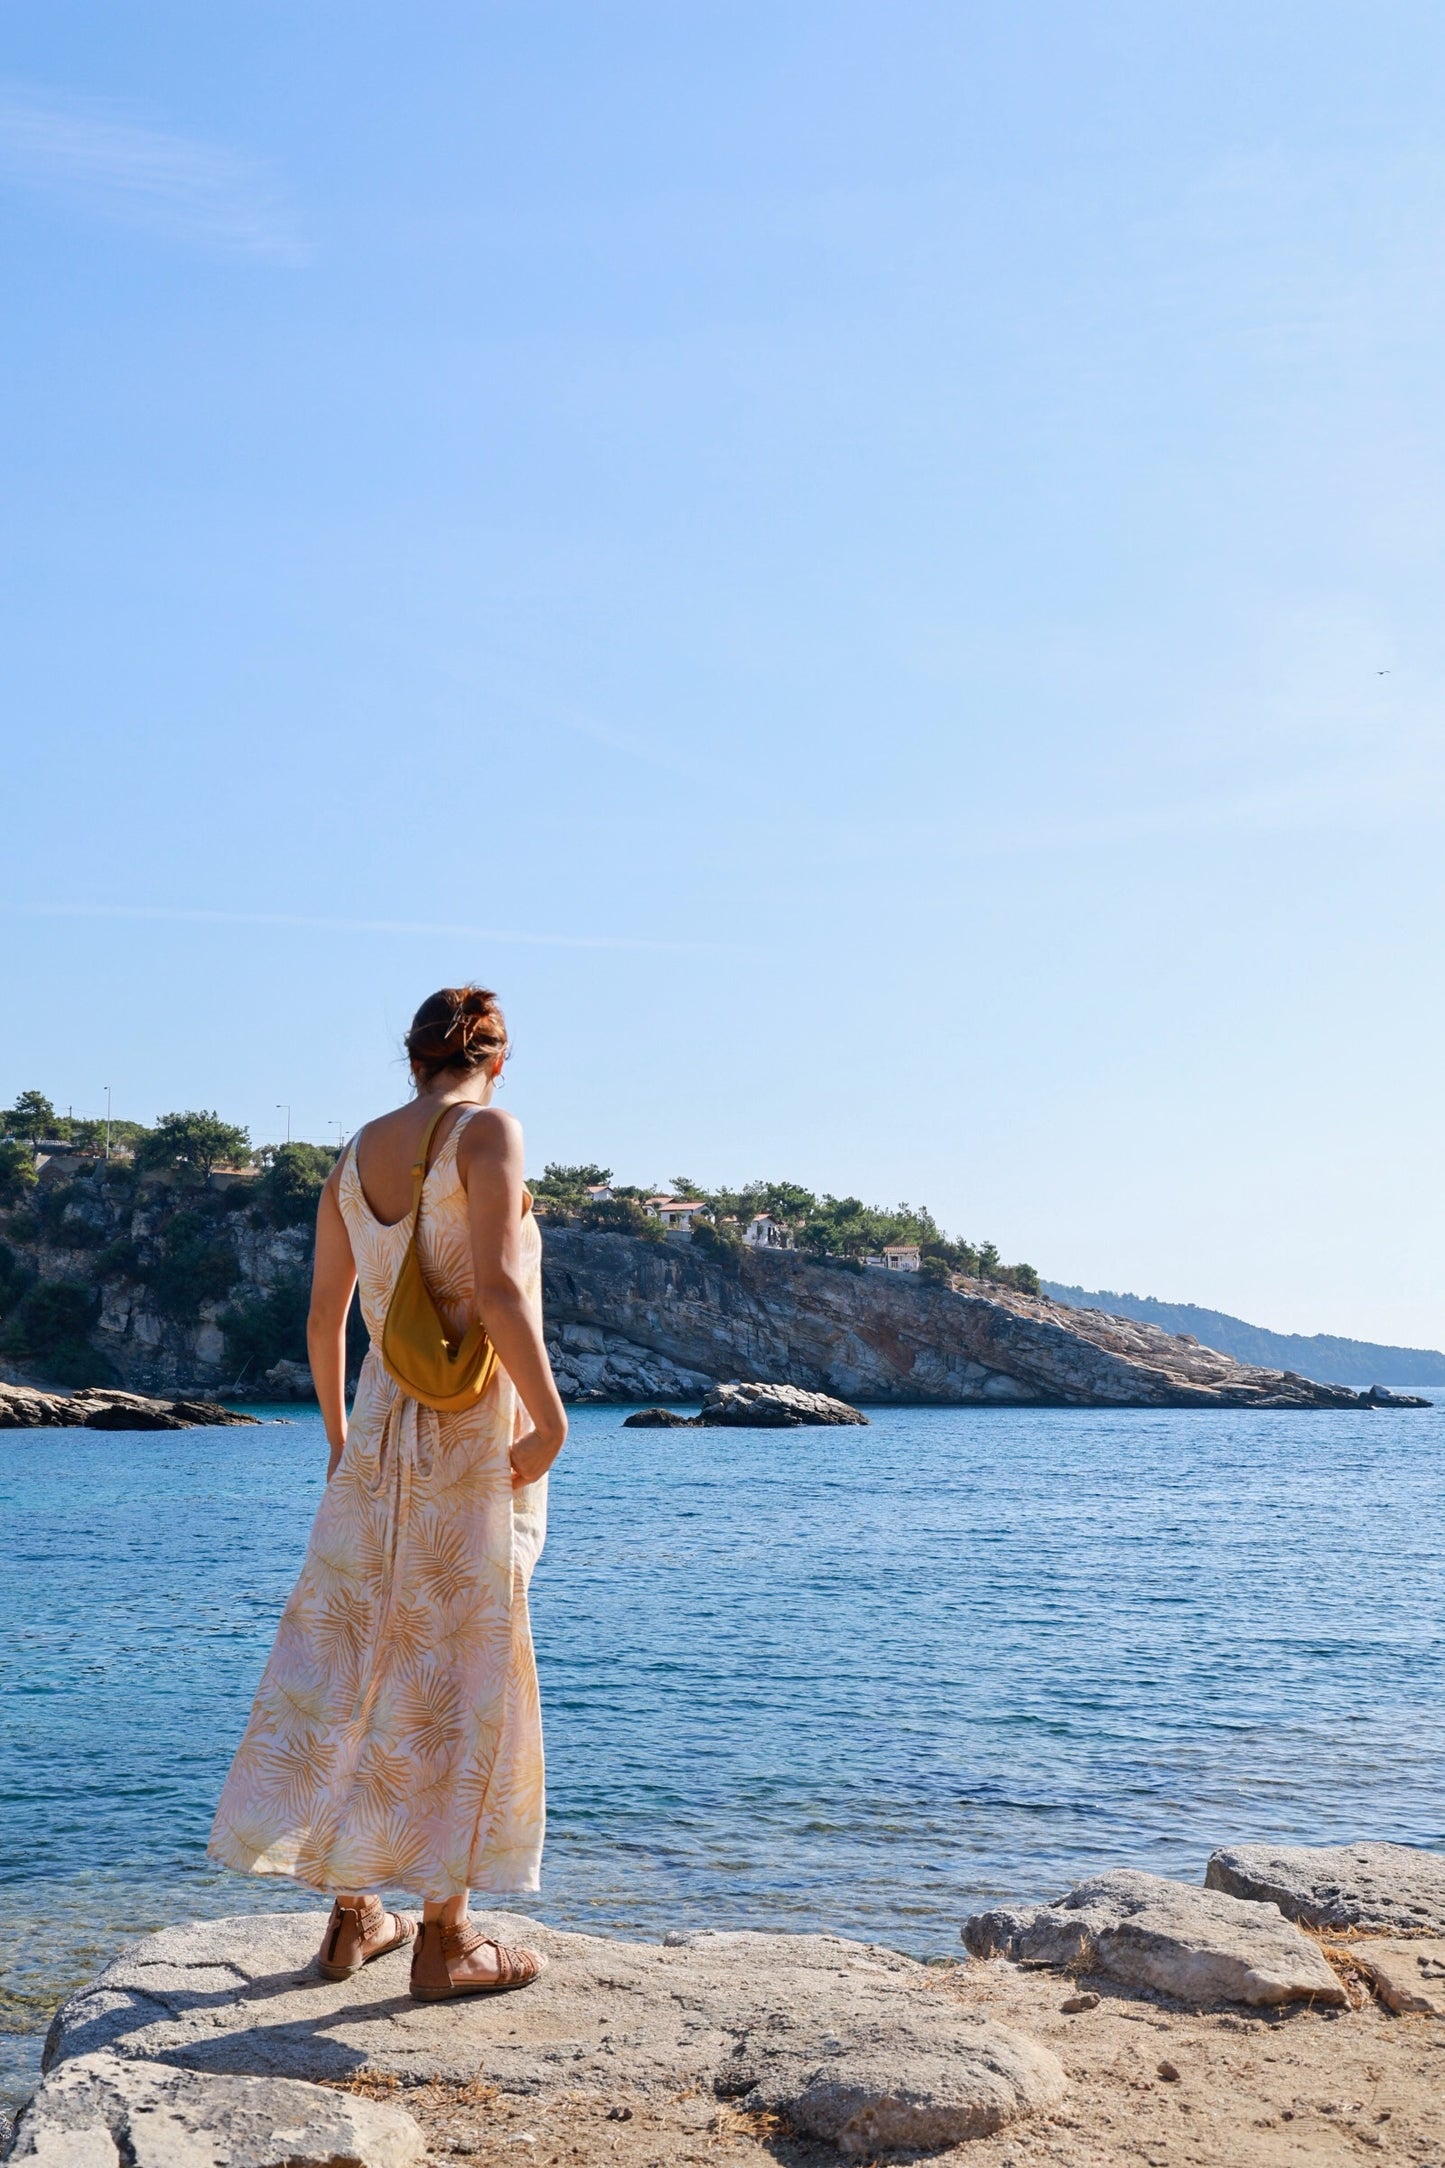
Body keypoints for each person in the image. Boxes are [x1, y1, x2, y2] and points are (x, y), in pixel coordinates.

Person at [208, 985, 568, 2001]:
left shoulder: (354, 1154)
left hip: (375, 1433)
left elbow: (325, 1313)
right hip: (467, 1431)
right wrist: (552, 1419)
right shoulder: (489, 1131)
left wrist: (338, 1438)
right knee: (460, 1659)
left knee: (356, 1653)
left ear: (411, 1059)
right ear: (497, 1058)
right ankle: (445, 1937)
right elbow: (496, 1289)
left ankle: (353, 1912)